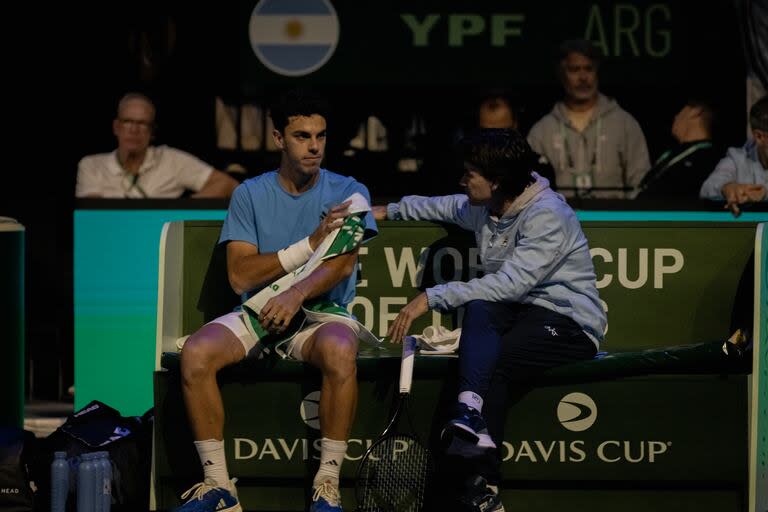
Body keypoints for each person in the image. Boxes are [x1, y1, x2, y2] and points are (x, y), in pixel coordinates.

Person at [373, 129, 606, 511]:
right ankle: (469, 414)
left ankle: (485, 488)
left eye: (470, 174)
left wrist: (431, 297)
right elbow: (442, 207)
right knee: (479, 311)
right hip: (518, 316)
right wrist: (387, 210)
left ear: (496, 181)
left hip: (568, 324)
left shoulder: (548, 215)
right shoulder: (485, 205)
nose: (462, 181)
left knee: (491, 357)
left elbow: (511, 285)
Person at [173, 89, 377, 512]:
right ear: (279, 138)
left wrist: (297, 292)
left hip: (321, 316)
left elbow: (340, 266)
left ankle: (327, 486)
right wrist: (307, 245)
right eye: (302, 136)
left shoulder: (351, 191)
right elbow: (239, 275)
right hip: (258, 313)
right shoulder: (249, 193)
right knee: (195, 352)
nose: (315, 146)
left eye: (321, 135)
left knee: (341, 350)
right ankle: (218, 487)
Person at [527, 39, 650, 198]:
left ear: (597, 72)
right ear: (562, 74)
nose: (583, 77)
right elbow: (529, 191)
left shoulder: (625, 124)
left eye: (588, 69)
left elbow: (640, 184)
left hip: (613, 220)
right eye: (574, 69)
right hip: (559, 221)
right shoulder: (542, 131)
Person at [76, 92, 238, 198]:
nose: (134, 130)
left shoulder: (171, 160)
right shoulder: (92, 165)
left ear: (152, 132)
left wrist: (181, 211)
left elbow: (227, 184)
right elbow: (91, 219)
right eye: (127, 122)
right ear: (116, 127)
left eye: (142, 123)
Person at [636, 99, 720, 199]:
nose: (676, 116)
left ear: (695, 111)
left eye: (681, 111)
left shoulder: (708, 159)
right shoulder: (674, 152)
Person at [700, 95, 768, 215]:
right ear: (759, 137)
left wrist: (765, 193)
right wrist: (727, 188)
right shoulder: (737, 158)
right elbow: (707, 188)